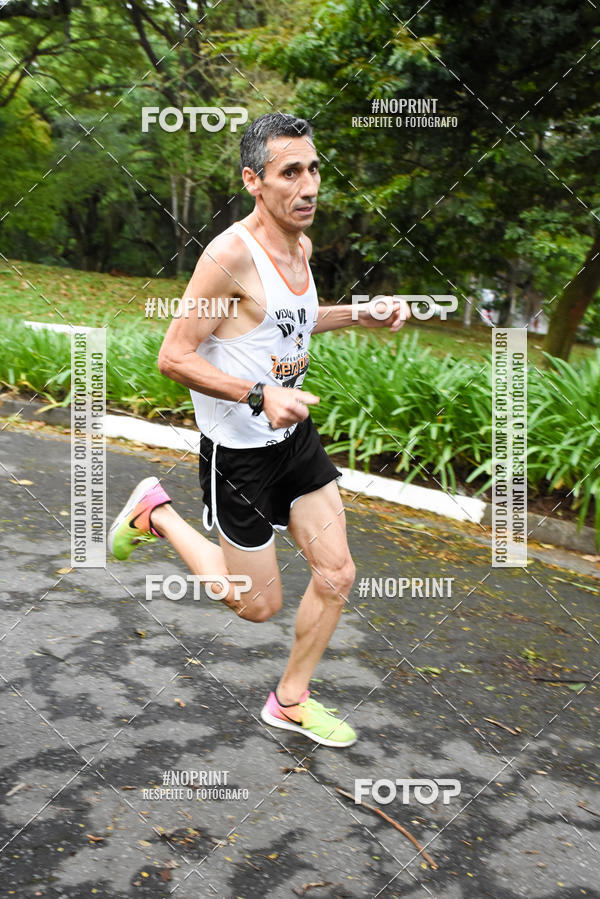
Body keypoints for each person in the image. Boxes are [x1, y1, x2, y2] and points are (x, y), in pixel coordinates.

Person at [108, 112, 410, 747]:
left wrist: (361, 314)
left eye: (314, 169)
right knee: (257, 605)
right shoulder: (229, 255)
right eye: (290, 172)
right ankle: (155, 514)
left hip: (293, 439)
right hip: (239, 455)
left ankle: (290, 701)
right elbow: (174, 356)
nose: (309, 186)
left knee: (337, 573)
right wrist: (258, 393)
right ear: (254, 180)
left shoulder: (300, 247)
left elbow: (289, 319)